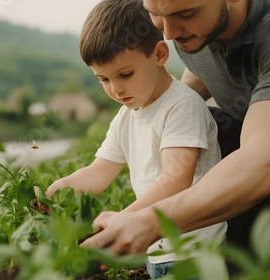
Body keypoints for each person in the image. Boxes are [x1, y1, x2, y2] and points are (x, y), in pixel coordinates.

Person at [42, 0, 227, 278]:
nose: (115, 89)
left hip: (194, 250)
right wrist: (59, 189)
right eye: (103, 79)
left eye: (125, 74)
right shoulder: (125, 116)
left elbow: (175, 179)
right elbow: (99, 171)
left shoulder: (181, 105)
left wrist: (125, 219)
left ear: (159, 54)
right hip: (157, 247)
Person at [81, 0, 270, 262]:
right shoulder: (189, 33)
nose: (168, 33)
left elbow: (262, 161)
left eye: (186, 13)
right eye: (155, 14)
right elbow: (201, 74)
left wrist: (148, 221)